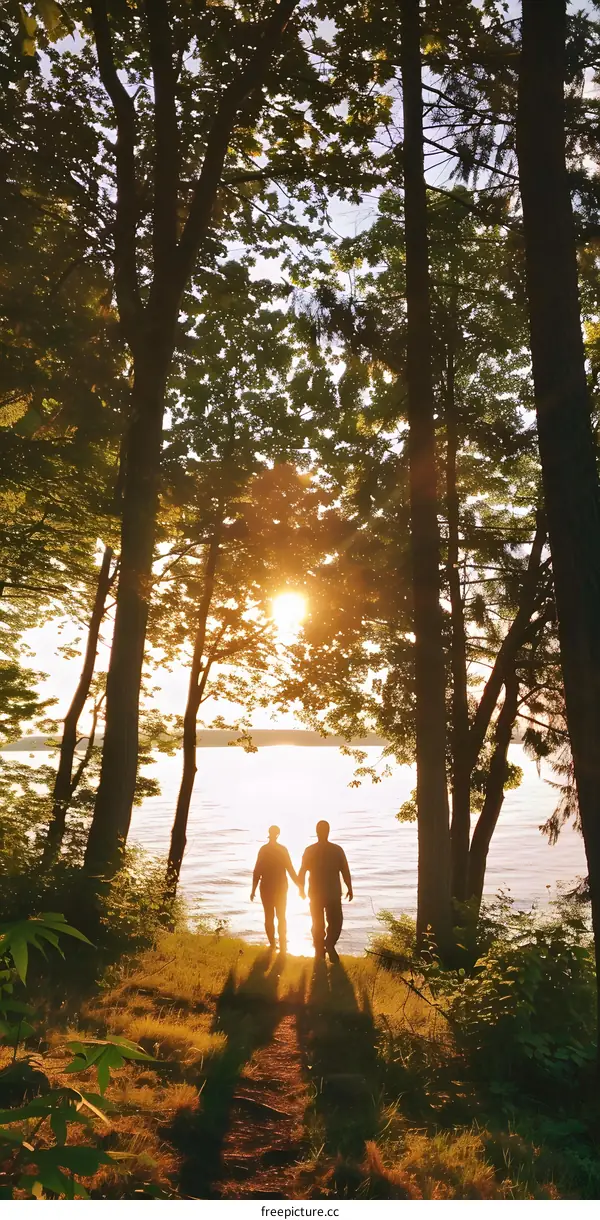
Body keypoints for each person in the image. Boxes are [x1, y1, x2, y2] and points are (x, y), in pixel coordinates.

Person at [298, 820, 353, 962]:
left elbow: (302, 872)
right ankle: (328, 944)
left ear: (316, 832)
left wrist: (301, 889)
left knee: (317, 924)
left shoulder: (310, 850)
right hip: (332, 893)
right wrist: (349, 887)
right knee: (336, 922)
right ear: (328, 832)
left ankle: (321, 951)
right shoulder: (337, 850)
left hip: (316, 894)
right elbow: (345, 871)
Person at [250, 825, 298, 953]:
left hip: (266, 887)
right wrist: (299, 885)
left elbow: (257, 871)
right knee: (281, 916)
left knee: (269, 916)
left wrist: (253, 889)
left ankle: (272, 944)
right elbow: (290, 869)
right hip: (280, 887)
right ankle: (282, 944)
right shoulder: (282, 850)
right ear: (278, 834)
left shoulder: (263, 850)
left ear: (269, 833)